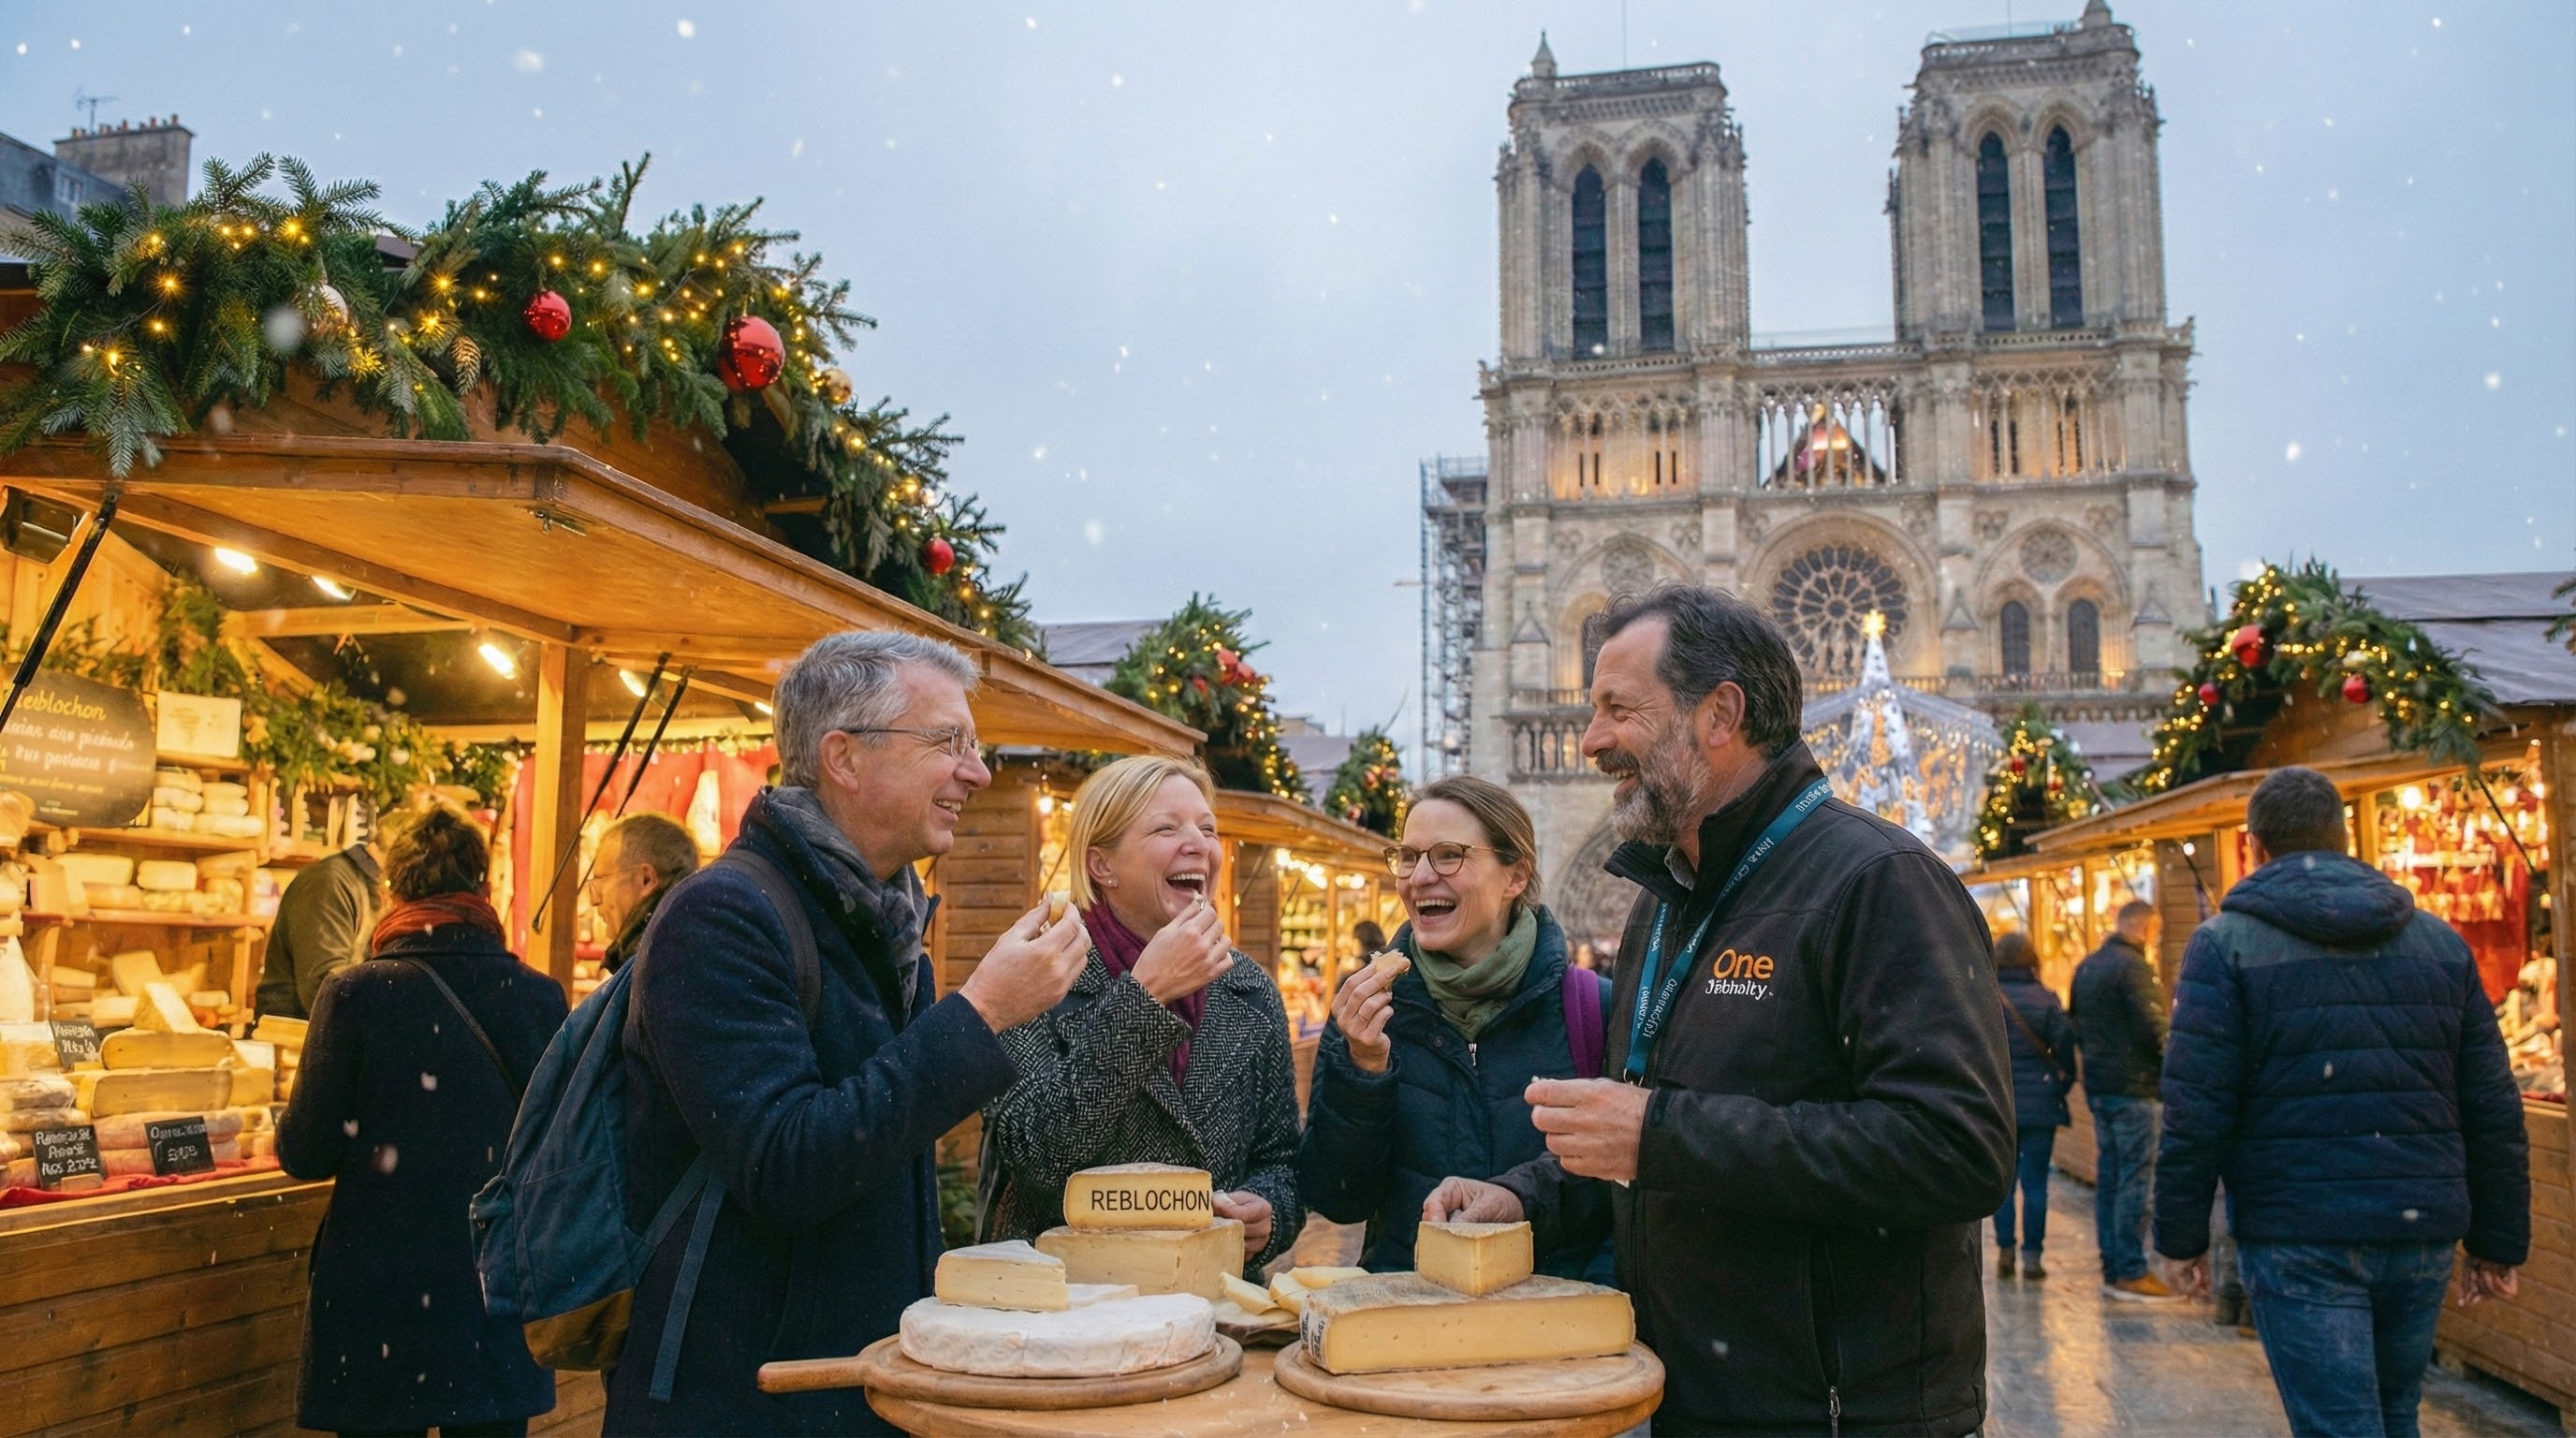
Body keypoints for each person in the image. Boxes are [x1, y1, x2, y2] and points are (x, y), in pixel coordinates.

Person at [1420, 586, 2014, 1436]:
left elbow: (1955, 1151)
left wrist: (1659, 1134)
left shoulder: (1877, 882)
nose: (1590, 740)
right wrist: (1526, 1200)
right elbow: (1655, 1140)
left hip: (1842, 1414)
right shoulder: (1665, 901)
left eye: (1618, 710)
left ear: (1720, 715)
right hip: (1694, 1397)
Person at [607, 631, 1092, 1435]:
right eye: (949, 744)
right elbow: (785, 1166)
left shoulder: (886, 923)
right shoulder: (721, 916)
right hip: (741, 1399)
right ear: (844, 757)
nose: (976, 772)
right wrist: (981, 1015)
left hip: (850, 1385)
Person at [2154, 766, 2529, 1438]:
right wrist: (2498, 1241)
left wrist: (2180, 1238)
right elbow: (2491, 1102)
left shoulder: (2225, 947)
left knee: (2339, 1425)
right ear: (2344, 835)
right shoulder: (2439, 943)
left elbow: (2197, 1106)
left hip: (2297, 1228)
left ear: (2256, 846)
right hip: (2418, 1225)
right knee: (2392, 1415)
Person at [278, 801, 567, 1437]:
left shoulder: (354, 995)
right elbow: (556, 1149)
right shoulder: (539, 998)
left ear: (392, 889)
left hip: (381, 1289)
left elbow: (305, 1152)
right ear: (483, 887)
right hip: (493, 1286)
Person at [978, 756, 1303, 1271]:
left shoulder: (1249, 988)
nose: (1198, 843)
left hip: (1212, 1309)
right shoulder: (1036, 976)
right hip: (1068, 1311)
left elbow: (1280, 1162)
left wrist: (1269, 1215)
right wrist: (1144, 997)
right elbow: (1035, 1154)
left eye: (1207, 828)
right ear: (1102, 866)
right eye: (1166, 827)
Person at [1299, 775, 1612, 1280]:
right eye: (1408, 856)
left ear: (1515, 876)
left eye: (1448, 855)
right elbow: (1336, 1198)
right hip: (1410, 1318)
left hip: (1556, 1323)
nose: (1419, 877)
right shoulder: (1367, 1011)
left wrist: (1519, 1201)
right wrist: (1363, 1071)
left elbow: (1618, 1183)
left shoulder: (1593, 1010)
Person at [2071, 898, 2174, 1299]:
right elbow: (2155, 1029)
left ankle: (2112, 1263)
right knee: (2136, 1180)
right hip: (2136, 1089)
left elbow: (2075, 1024)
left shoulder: (2089, 966)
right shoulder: (2134, 968)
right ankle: (2130, 1268)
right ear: (2145, 928)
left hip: (2100, 1086)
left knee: (2111, 1179)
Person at [1991, 929, 2077, 1281]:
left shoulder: (1987, 998)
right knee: (2036, 1183)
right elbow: (2066, 1053)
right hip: (2040, 1103)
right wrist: (2059, 1087)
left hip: (1999, 1106)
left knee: (2004, 1184)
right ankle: (2032, 1257)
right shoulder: (2046, 999)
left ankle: (2005, 1249)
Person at [256, 821, 382, 1018]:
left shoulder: (374, 886)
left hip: (325, 1037)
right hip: (291, 1037)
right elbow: (324, 989)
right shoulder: (328, 882)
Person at [589, 812, 701, 974]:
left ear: (646, 879)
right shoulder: (689, 940)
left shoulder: (654, 961)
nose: (595, 900)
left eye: (601, 880)